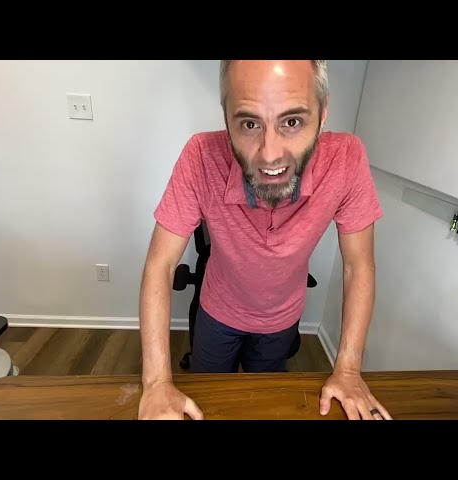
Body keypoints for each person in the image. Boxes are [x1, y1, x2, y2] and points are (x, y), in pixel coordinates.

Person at [138, 60, 392, 420]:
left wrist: (349, 370)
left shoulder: (347, 159)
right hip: (217, 312)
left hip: (282, 319)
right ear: (226, 119)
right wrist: (156, 382)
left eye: (292, 121)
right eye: (249, 123)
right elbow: (161, 263)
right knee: (207, 402)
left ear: (322, 114)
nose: (270, 154)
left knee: (267, 403)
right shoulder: (200, 156)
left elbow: (358, 265)